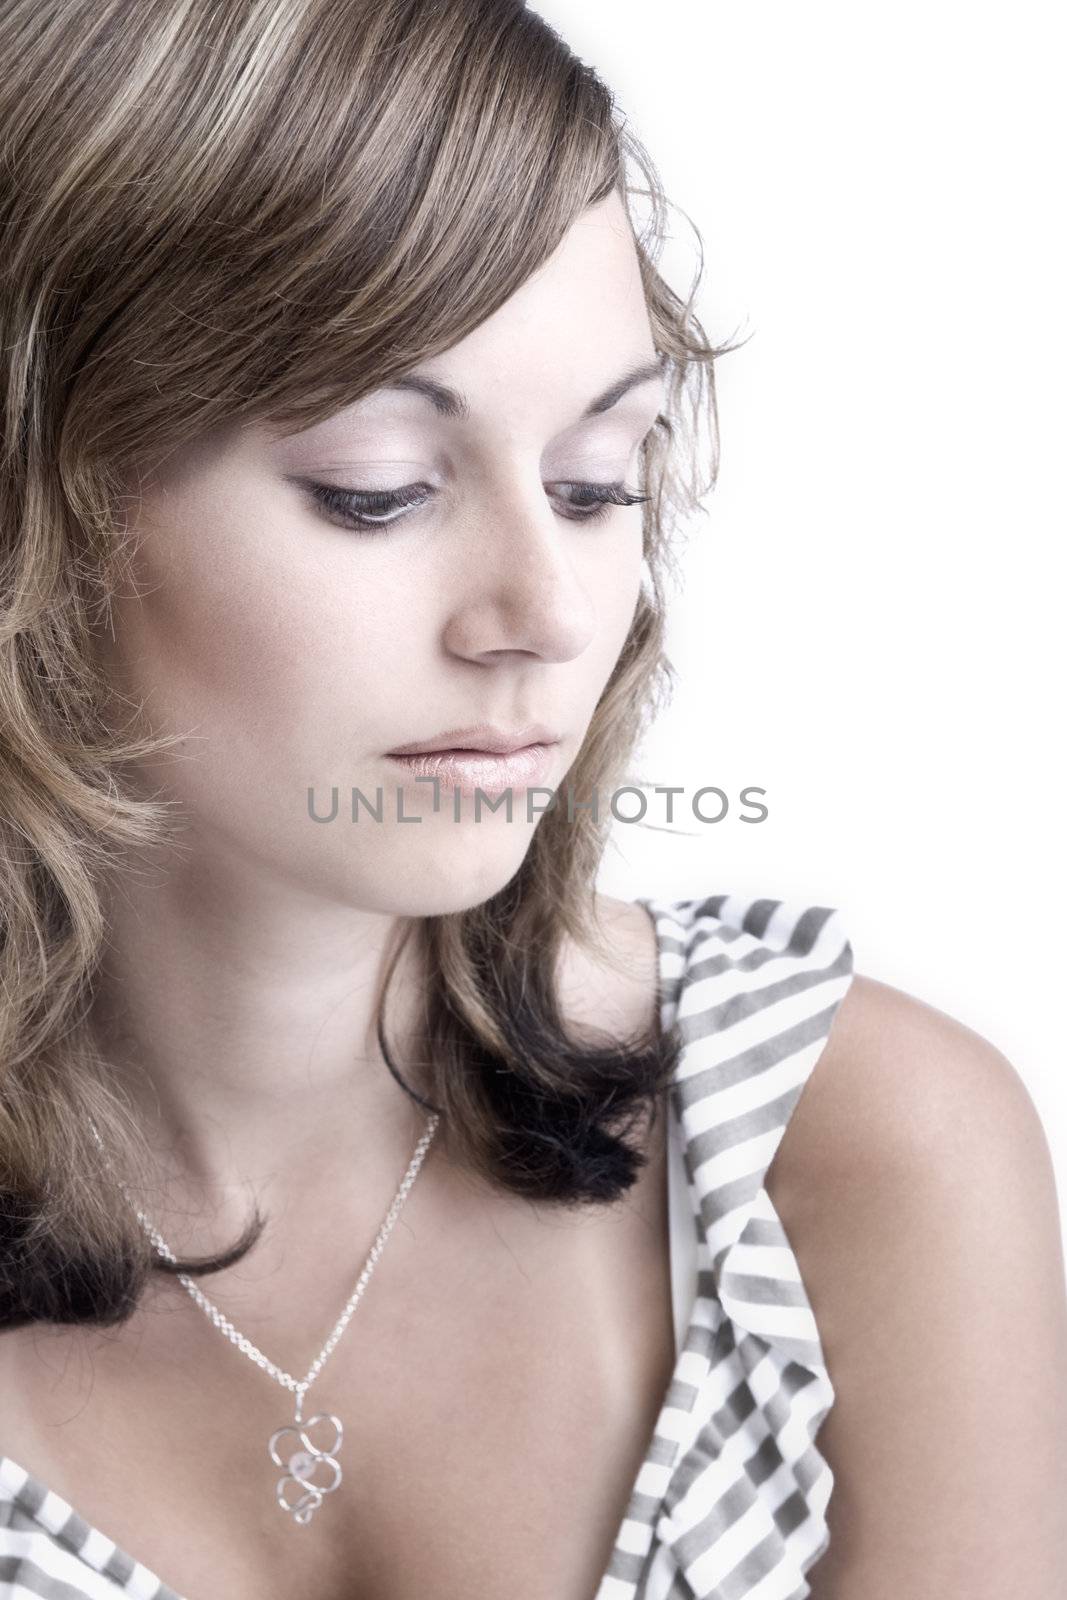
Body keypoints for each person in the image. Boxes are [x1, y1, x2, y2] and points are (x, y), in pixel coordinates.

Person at [1, 2, 1064, 1597]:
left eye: (596, 483)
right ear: (37, 504)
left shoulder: (849, 1156)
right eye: (378, 488)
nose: (546, 608)